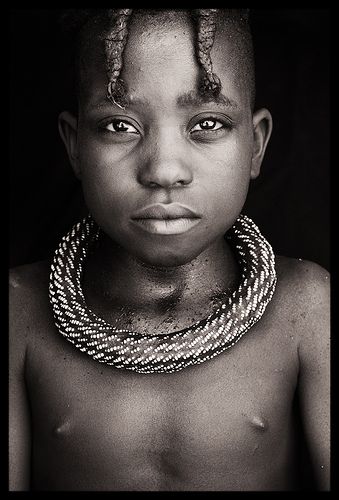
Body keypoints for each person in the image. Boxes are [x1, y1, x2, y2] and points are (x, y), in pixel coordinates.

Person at [9, 8, 330, 491]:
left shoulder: (307, 307)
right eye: (120, 126)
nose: (163, 169)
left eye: (206, 123)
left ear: (256, 146)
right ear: (75, 147)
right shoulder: (19, 310)